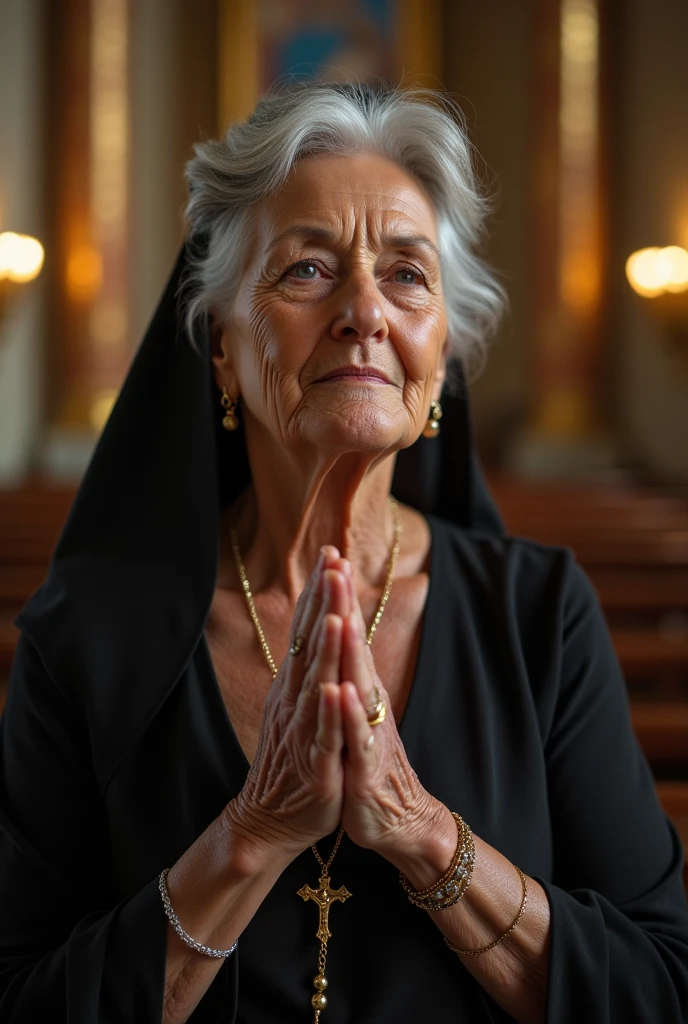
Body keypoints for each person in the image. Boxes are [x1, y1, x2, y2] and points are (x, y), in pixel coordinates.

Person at [1, 83, 687, 1024]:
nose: (366, 310)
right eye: (308, 269)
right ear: (221, 347)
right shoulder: (85, 637)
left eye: (408, 275)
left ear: (440, 357)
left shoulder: (541, 615)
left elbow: (658, 988)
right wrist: (253, 834)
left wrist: (421, 833)